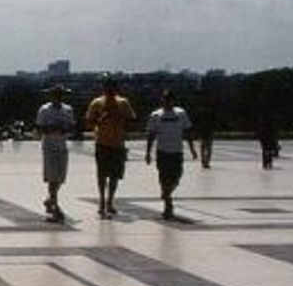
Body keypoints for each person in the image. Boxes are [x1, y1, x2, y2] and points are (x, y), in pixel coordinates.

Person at [85, 74, 137, 219]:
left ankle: (110, 201)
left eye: (112, 85)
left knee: (114, 175)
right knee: (101, 174)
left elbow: (132, 119)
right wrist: (101, 119)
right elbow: (89, 121)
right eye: (107, 86)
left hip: (118, 143)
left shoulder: (123, 102)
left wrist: (121, 118)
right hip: (102, 143)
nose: (109, 88)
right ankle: (101, 200)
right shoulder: (96, 103)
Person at [145, 90, 197, 220]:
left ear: (173, 100)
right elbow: (151, 135)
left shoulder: (181, 113)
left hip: (177, 152)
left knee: (176, 178)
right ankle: (168, 204)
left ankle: (166, 193)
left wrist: (192, 149)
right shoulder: (156, 115)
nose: (167, 101)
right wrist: (148, 152)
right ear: (162, 100)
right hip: (162, 152)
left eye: (169, 99)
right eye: (165, 99)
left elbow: (187, 131)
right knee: (164, 178)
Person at [36, 85, 75, 222]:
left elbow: (71, 126)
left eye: (60, 95)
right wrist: (52, 129)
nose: (58, 97)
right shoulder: (44, 110)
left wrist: (65, 130)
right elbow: (40, 128)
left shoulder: (68, 110)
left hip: (62, 147)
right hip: (49, 147)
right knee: (52, 178)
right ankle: (55, 206)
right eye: (56, 95)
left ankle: (50, 199)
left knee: (59, 178)